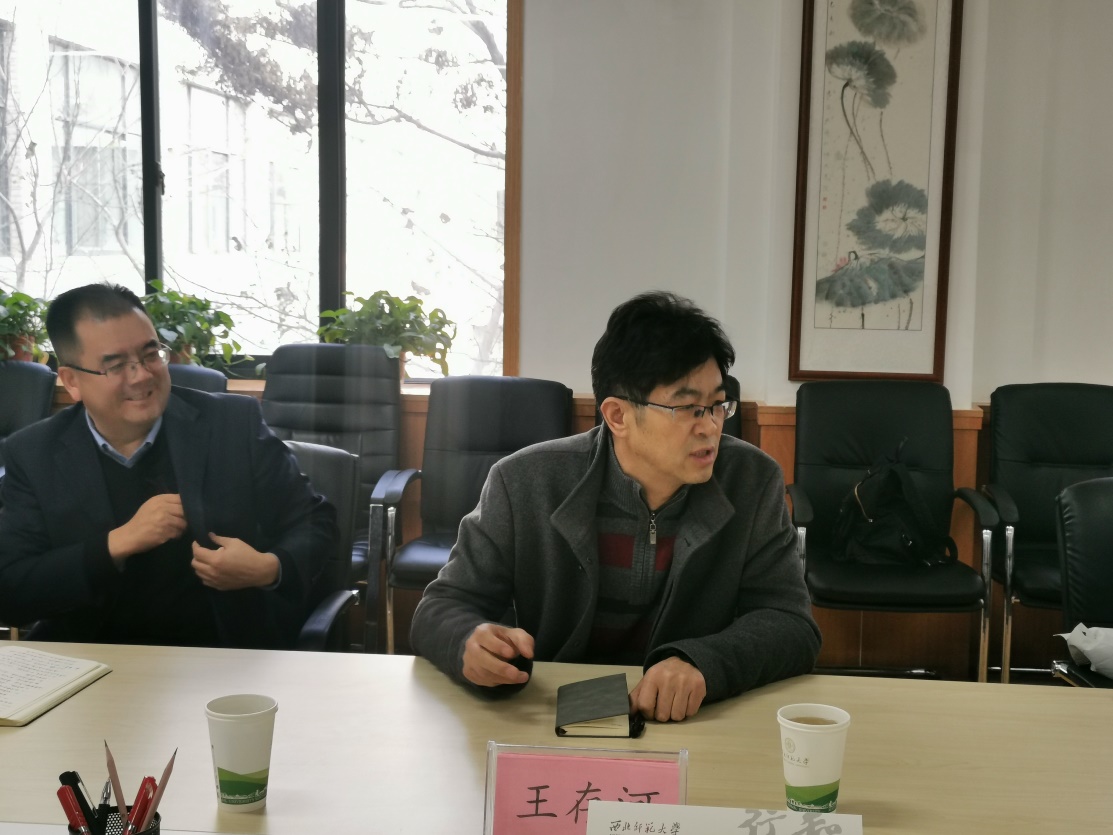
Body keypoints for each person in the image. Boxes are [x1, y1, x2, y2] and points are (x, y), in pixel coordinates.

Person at [411, 291, 820, 722]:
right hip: (554, 714)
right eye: (688, 408)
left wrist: (703, 662)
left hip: (687, 719)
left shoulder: (752, 481)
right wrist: (466, 639)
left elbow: (791, 624)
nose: (711, 427)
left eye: (718, 405)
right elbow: (440, 607)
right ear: (618, 415)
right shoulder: (525, 482)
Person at [0, 284, 336, 649]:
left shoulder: (231, 424)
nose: (142, 375)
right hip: (93, 659)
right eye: (116, 365)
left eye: (150, 355)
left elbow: (315, 521)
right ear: (72, 381)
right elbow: (11, 590)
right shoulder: (33, 454)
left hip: (220, 654)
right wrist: (116, 544)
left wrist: (268, 568)